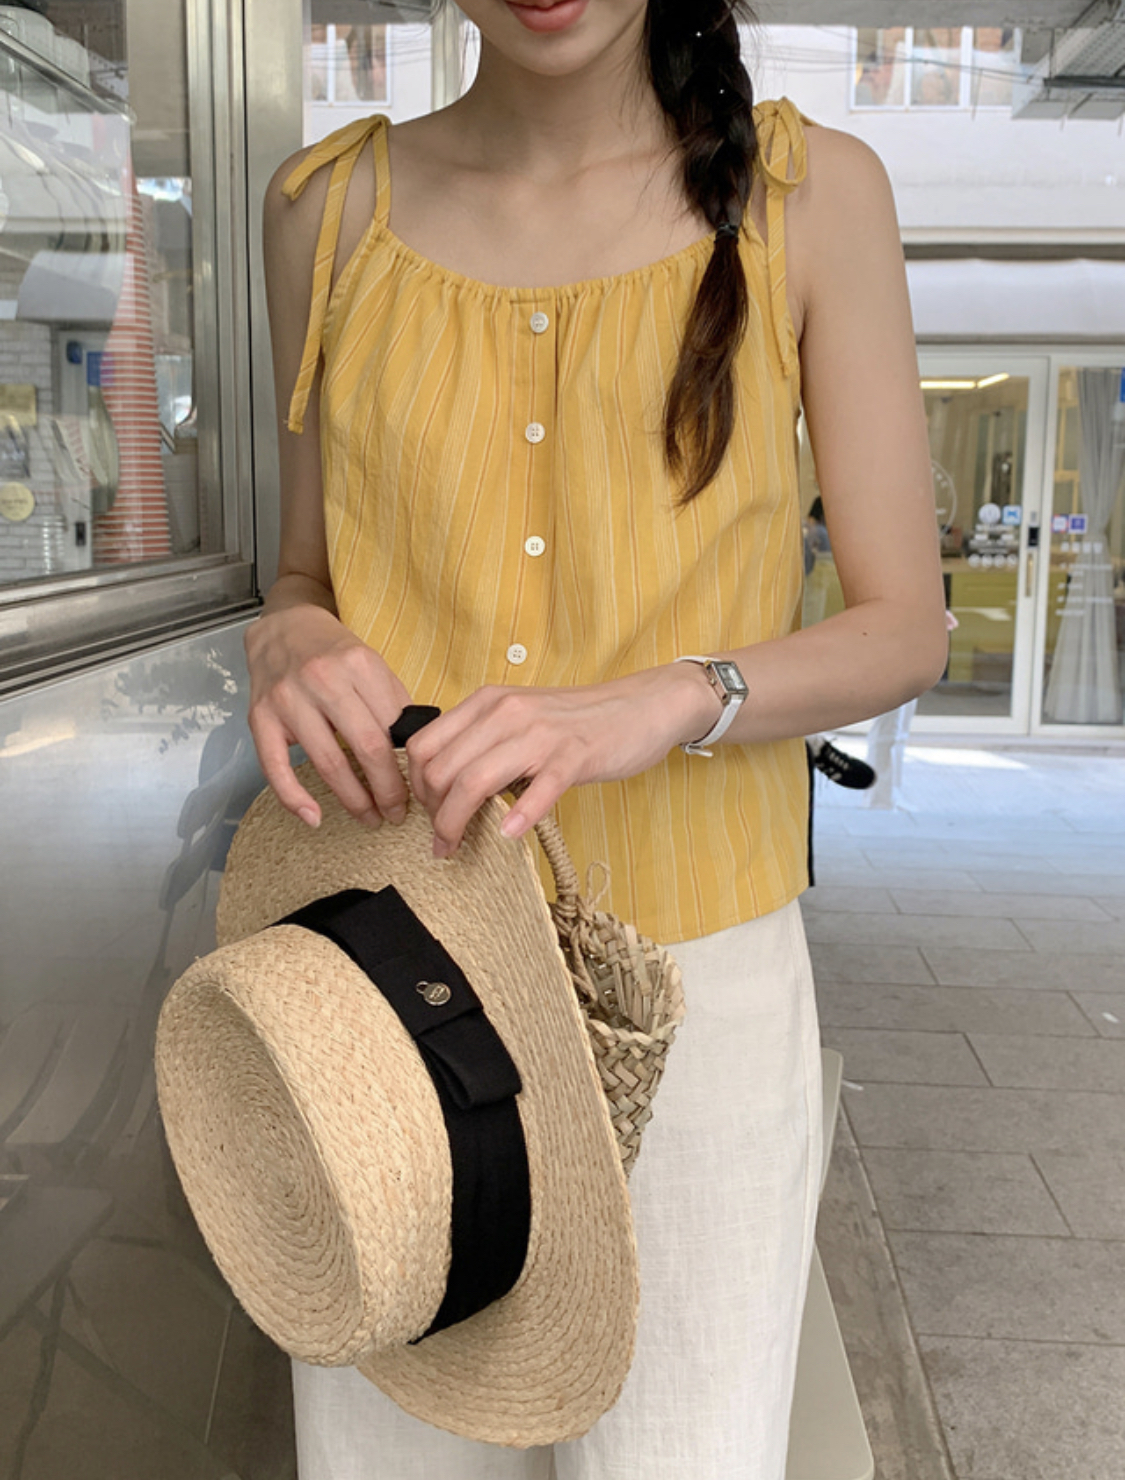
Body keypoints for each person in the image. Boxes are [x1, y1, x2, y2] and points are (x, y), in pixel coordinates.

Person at [249, 2, 948, 1476]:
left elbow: (904, 626)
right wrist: (291, 636)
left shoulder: (810, 198)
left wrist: (672, 696)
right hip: (396, 972)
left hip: (697, 988)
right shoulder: (326, 212)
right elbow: (301, 573)